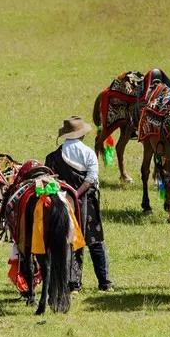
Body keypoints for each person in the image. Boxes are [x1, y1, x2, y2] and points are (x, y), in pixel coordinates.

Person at [45, 116, 114, 292]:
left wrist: (69, 194)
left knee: (68, 243)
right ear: (82, 135)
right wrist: (78, 193)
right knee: (96, 243)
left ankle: (72, 284)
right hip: (87, 203)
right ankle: (105, 283)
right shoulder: (89, 153)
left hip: (62, 205)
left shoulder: (53, 157)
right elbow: (91, 178)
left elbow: (50, 182)